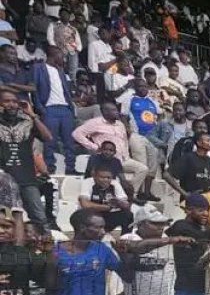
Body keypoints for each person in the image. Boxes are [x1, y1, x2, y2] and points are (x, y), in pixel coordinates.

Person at [72, 101, 149, 194]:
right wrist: (94, 147)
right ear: (105, 112)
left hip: (124, 159)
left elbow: (124, 140)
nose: (117, 112)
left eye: (116, 109)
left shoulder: (120, 124)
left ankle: (131, 194)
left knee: (143, 169)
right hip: (107, 160)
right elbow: (76, 134)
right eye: (113, 110)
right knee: (116, 177)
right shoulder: (95, 123)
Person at [0, 88, 51, 228]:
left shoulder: (28, 121)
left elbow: (47, 137)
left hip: (26, 177)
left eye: (15, 101)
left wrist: (33, 115)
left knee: (39, 217)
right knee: (5, 219)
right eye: (7, 101)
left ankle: (43, 248)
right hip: (3, 178)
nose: (12, 104)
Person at [33, 46, 78, 175]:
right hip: (49, 109)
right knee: (50, 141)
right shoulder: (39, 67)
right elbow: (34, 89)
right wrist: (40, 108)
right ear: (54, 55)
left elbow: (66, 91)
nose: (63, 59)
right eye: (62, 56)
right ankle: (50, 169)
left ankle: (71, 168)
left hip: (65, 109)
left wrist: (71, 107)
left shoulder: (60, 70)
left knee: (69, 141)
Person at [78, 166, 133, 234]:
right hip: (89, 215)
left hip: (107, 215)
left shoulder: (114, 183)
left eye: (108, 177)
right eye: (102, 177)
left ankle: (125, 239)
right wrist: (108, 207)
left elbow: (126, 205)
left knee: (128, 215)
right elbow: (85, 205)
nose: (105, 180)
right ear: (95, 177)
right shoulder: (88, 182)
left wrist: (118, 202)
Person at [46, 8, 82, 79]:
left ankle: (72, 84)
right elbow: (50, 38)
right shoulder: (53, 25)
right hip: (59, 50)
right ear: (60, 15)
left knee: (73, 70)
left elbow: (78, 41)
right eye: (64, 14)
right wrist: (56, 49)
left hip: (72, 51)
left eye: (67, 14)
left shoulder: (73, 28)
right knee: (59, 69)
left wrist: (77, 49)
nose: (66, 16)